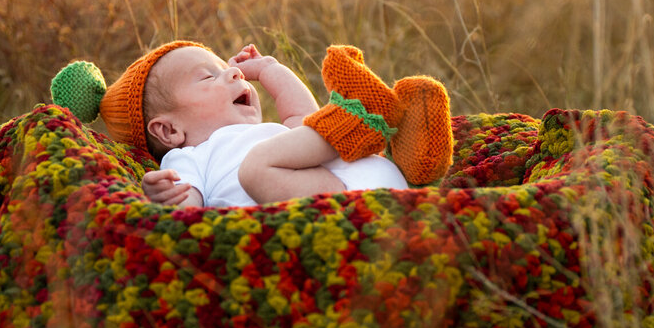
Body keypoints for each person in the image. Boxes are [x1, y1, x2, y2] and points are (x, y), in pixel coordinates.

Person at [50, 41, 452, 207]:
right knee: (256, 167)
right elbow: (190, 203)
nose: (234, 75)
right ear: (169, 131)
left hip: (370, 184)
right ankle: (364, 121)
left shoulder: (279, 136)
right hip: (327, 203)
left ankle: (406, 156)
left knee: (305, 128)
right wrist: (167, 195)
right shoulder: (192, 156)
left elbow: (301, 115)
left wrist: (270, 69)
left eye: (229, 69)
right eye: (209, 77)